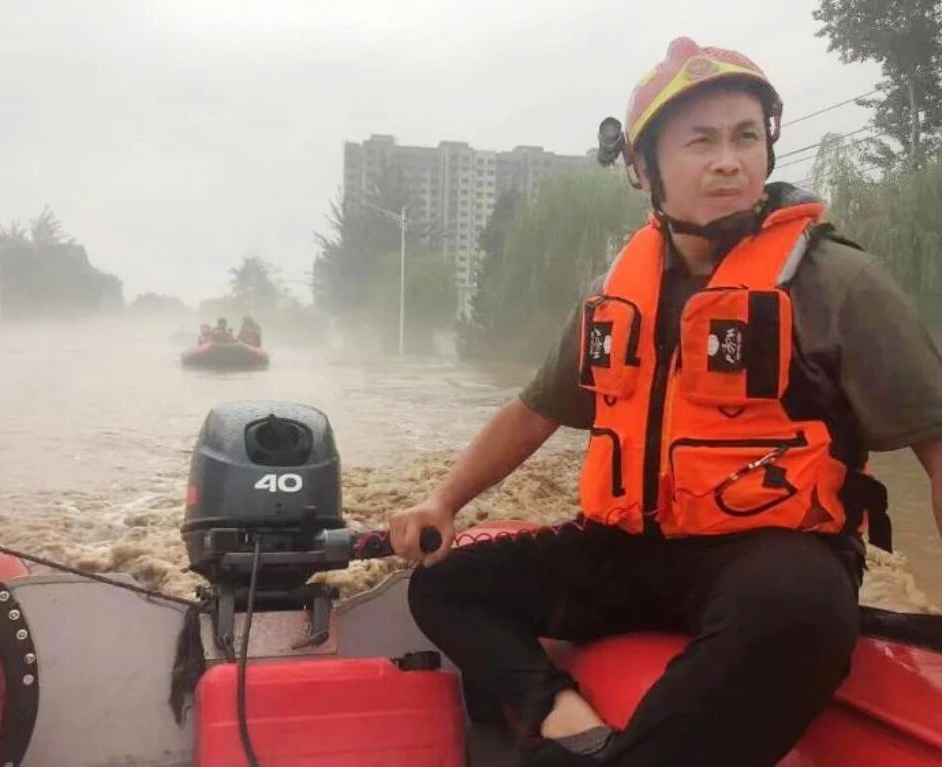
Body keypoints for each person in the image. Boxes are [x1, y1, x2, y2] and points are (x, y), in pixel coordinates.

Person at [390, 37, 942, 767]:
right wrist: (442, 500)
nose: (729, 161)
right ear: (643, 167)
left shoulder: (838, 283)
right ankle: (561, 714)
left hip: (774, 555)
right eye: (701, 141)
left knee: (803, 612)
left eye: (746, 137)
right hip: (632, 549)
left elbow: (935, 442)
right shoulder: (617, 289)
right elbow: (534, 411)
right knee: (446, 586)